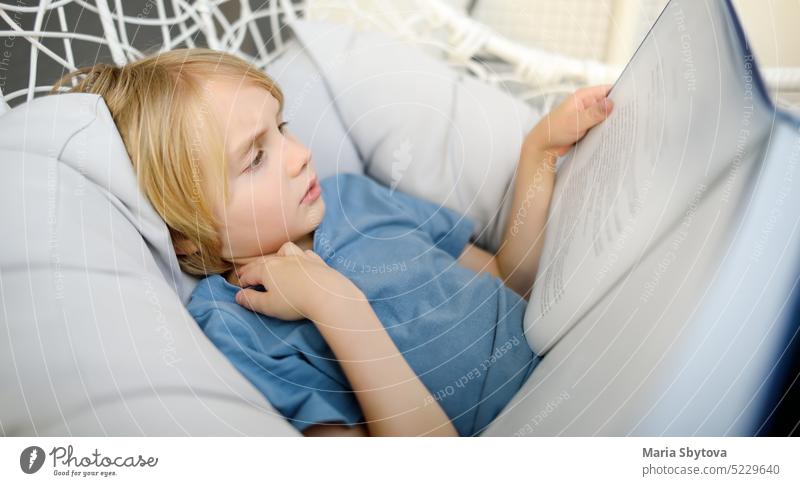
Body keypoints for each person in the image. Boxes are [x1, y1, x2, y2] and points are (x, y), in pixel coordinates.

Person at [53, 49, 613, 437]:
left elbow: (511, 284)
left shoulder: (351, 198)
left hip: (591, 375)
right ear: (185, 233)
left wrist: (537, 154)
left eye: (283, 127)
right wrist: (337, 307)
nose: (299, 154)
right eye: (255, 158)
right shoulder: (237, 327)